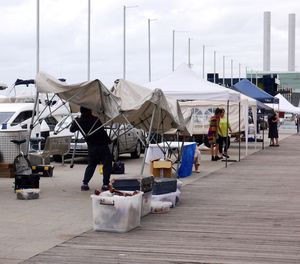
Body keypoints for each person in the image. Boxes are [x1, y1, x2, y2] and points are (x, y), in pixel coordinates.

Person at [70, 106, 112, 191]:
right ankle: (105, 184)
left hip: (91, 146)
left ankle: (85, 183)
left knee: (91, 165)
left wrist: (75, 121)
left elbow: (72, 129)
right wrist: (108, 140)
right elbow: (102, 132)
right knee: (107, 164)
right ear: (90, 111)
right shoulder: (95, 120)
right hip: (102, 145)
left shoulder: (79, 122)